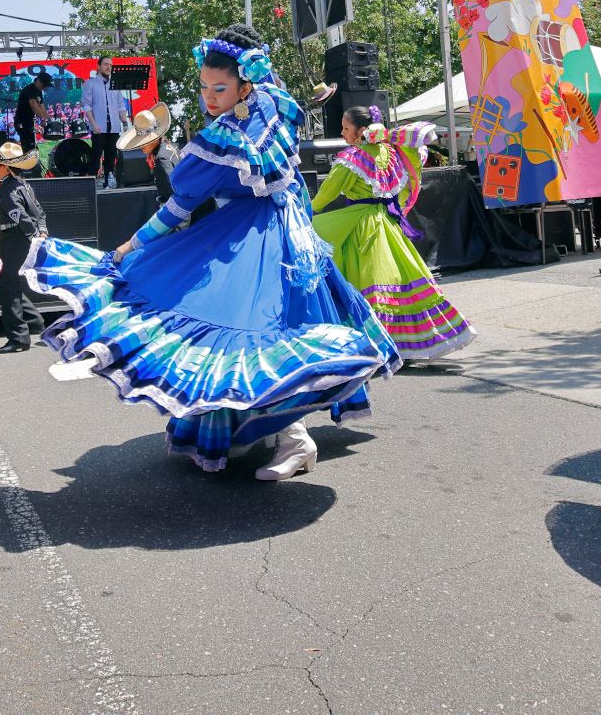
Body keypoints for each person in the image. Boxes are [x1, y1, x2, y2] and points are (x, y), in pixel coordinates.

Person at [23, 24, 398, 479]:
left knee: (262, 332)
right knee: (244, 331)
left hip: (266, 242)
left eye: (219, 88)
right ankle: (245, 431)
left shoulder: (243, 126)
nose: (209, 96)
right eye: (204, 87)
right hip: (262, 235)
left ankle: (296, 439)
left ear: (245, 85)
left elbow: (178, 208)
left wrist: (134, 243)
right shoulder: (263, 113)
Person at [311, 106, 474, 364]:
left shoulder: (352, 158)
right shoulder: (392, 152)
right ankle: (407, 343)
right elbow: (404, 188)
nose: (342, 133)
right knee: (401, 279)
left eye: (346, 128)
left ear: (361, 131)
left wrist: (307, 210)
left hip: (360, 226)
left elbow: (326, 194)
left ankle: (373, 345)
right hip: (387, 222)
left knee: (367, 281)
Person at [0, 141, 48, 350]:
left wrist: (34, 235)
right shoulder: (23, 184)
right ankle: (34, 321)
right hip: (20, 239)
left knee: (8, 285)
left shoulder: (7, 189)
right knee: (7, 282)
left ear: (5, 167)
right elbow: (39, 212)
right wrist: (41, 232)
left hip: (15, 239)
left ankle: (18, 338)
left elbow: (21, 216)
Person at [81, 58, 132, 191]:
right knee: (96, 154)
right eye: (106, 64)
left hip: (114, 126)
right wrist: (93, 124)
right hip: (98, 126)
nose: (109, 67)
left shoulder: (115, 84)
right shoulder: (90, 83)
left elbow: (121, 105)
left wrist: (125, 122)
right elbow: (86, 105)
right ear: (98, 66)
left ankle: (108, 181)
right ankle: (92, 182)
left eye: (111, 65)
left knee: (111, 154)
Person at [15, 73, 53, 153]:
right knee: (28, 146)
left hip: (29, 122)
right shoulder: (30, 89)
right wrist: (43, 119)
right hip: (22, 122)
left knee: (32, 146)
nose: (45, 88)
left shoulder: (39, 91)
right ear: (38, 81)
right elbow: (34, 105)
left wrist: (49, 120)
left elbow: (42, 107)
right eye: (44, 85)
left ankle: (32, 159)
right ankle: (28, 160)